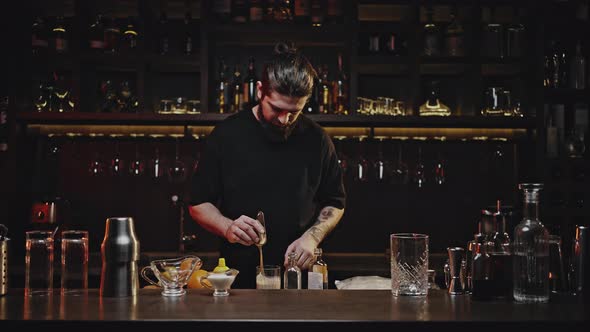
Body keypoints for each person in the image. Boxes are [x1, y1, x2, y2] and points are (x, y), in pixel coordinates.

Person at [188, 42, 346, 288]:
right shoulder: (227, 135)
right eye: (277, 109)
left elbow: (335, 203)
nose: (285, 120)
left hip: (300, 277)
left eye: (295, 112)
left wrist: (311, 238)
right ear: (260, 90)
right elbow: (198, 203)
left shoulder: (318, 140)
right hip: (238, 278)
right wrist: (228, 226)